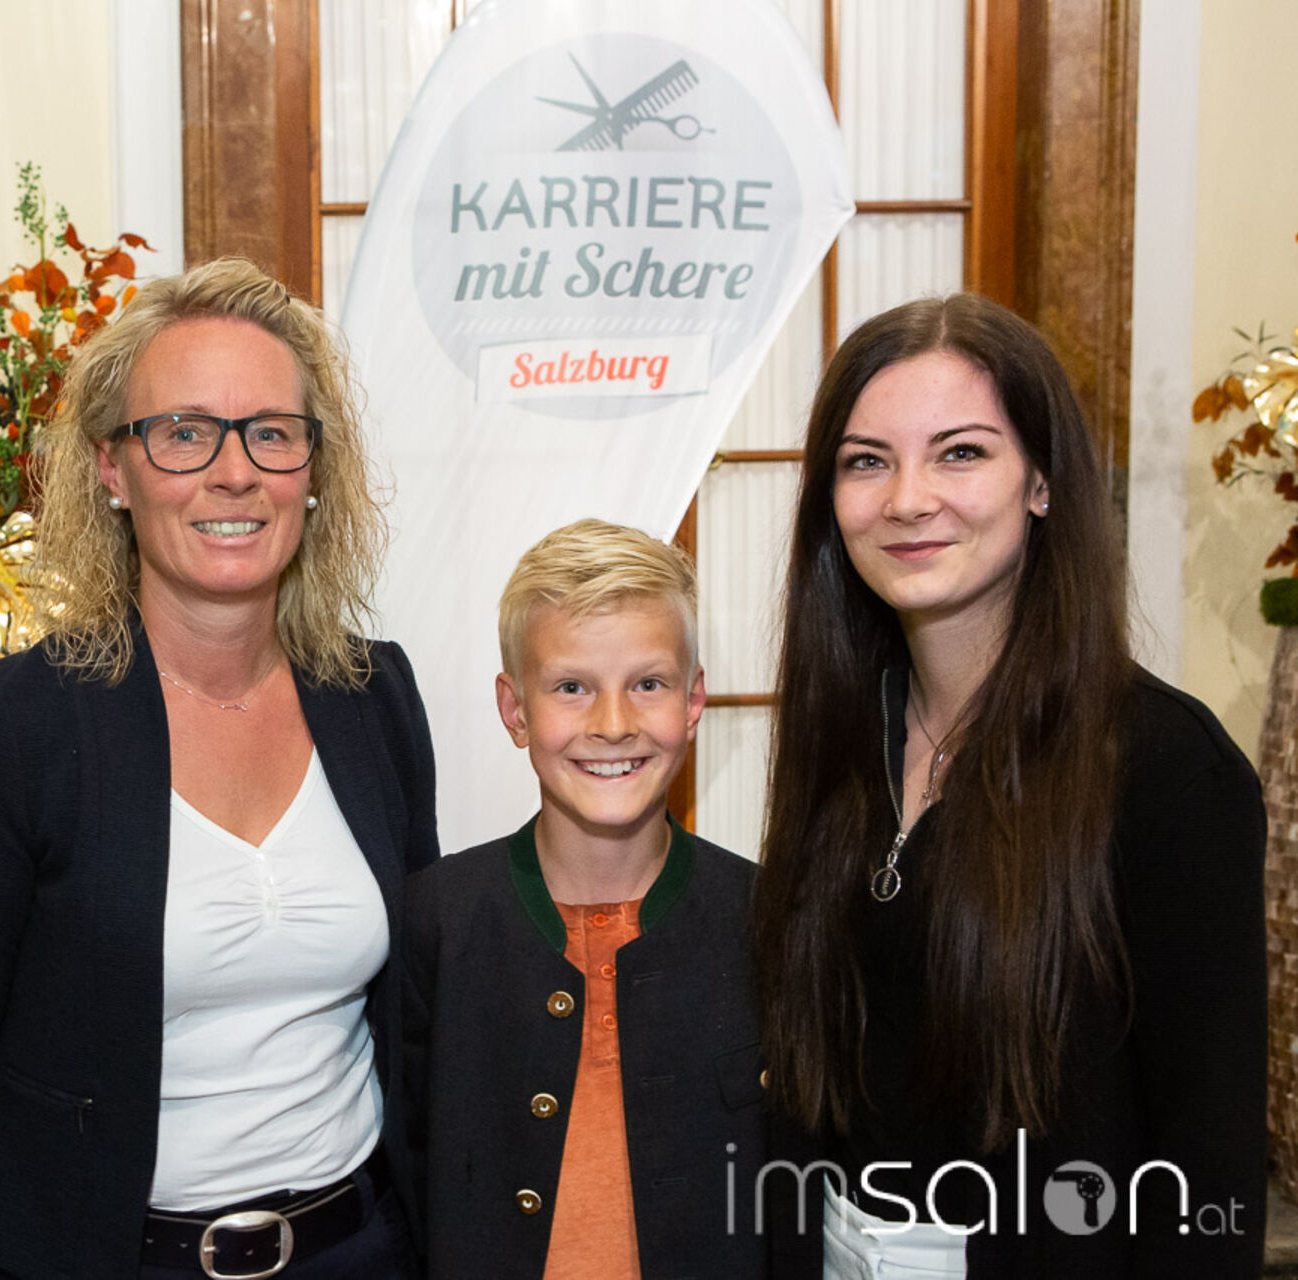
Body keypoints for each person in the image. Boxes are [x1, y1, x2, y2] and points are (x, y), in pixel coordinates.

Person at [0, 257, 438, 1279]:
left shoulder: (375, 698)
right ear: (112, 468)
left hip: (363, 1250)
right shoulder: (25, 726)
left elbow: (418, 1020)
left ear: (313, 468)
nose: (236, 472)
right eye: (184, 432)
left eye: (272, 432)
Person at [753, 293, 1268, 1277]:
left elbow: (1210, 1170)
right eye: (866, 460)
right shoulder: (845, 736)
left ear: (1041, 481)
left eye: (960, 452)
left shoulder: (1165, 769)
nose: (908, 498)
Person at [403, 518, 768, 1280]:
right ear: (515, 711)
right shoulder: (437, 920)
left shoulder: (767, 921)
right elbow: (401, 1182)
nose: (613, 725)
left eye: (648, 684)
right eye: (571, 688)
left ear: (693, 700)